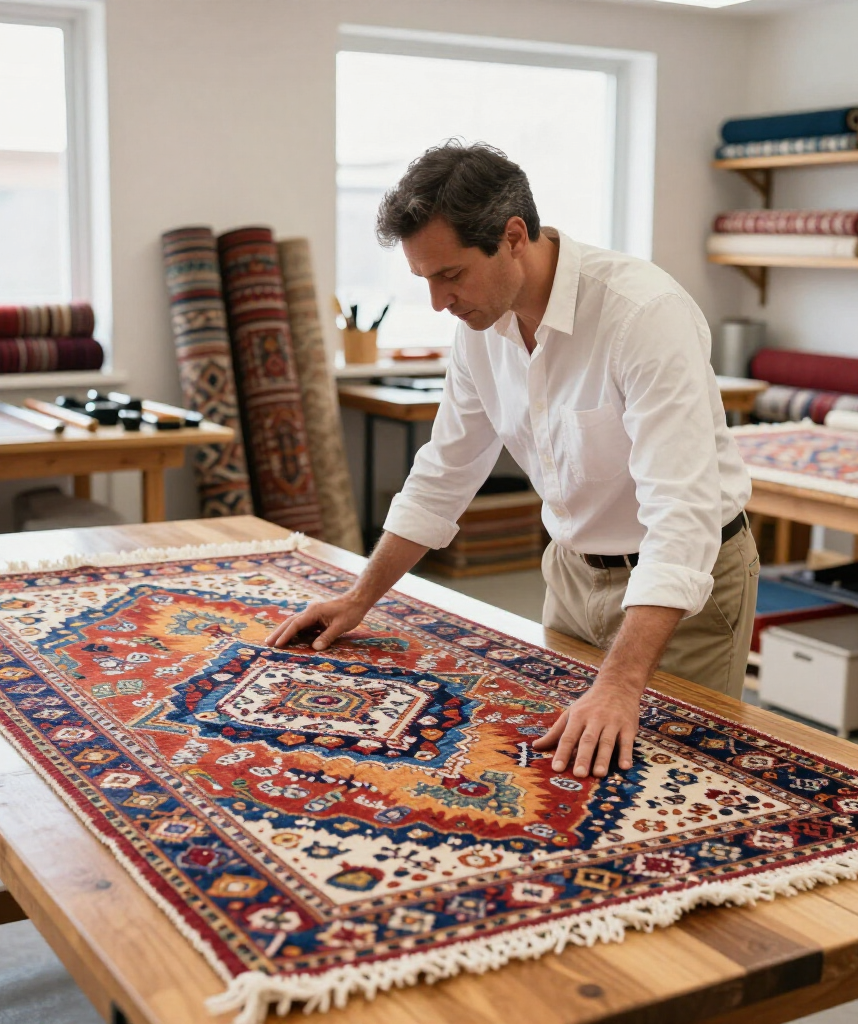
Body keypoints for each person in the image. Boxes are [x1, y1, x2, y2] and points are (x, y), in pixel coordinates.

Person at [268, 140, 759, 781]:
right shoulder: (480, 329)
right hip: (572, 575)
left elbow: (681, 515)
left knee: (680, 783)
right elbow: (444, 474)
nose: (440, 302)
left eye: (451, 275)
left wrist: (621, 683)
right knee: (562, 778)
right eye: (426, 280)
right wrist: (361, 597)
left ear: (513, 236)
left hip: (686, 591)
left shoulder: (644, 316)